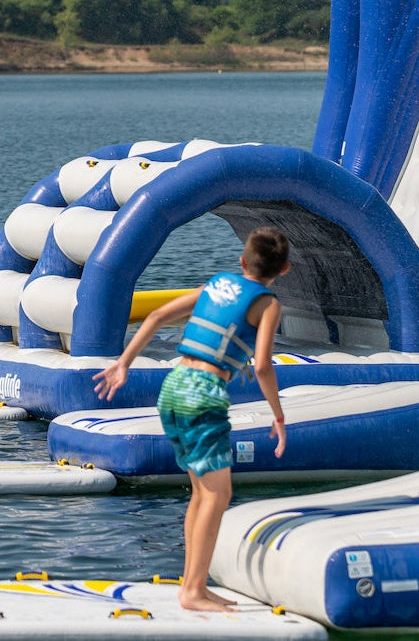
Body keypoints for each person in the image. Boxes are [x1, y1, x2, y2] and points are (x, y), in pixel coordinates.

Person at [94, 227, 291, 613]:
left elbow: (155, 316)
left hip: (174, 385)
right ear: (284, 269)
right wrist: (278, 415)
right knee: (217, 495)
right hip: (202, 394)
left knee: (203, 493)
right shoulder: (268, 304)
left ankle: (192, 584)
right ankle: (194, 591)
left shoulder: (216, 284)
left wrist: (123, 363)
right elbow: (264, 364)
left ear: (241, 262)